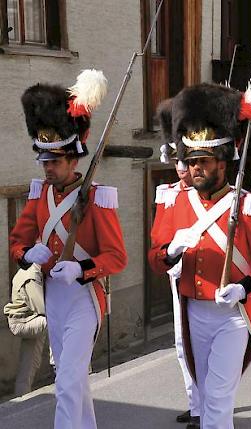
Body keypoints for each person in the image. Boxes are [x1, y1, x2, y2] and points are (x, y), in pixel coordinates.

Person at [149, 81, 251, 429]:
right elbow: (154, 257)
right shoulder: (174, 202)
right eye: (191, 161)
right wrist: (170, 252)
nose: (195, 168)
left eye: (203, 161)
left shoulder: (247, 205)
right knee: (207, 393)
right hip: (193, 310)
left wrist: (246, 287)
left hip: (233, 313)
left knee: (220, 398)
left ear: (222, 162)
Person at [10, 70, 128, 429]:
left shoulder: (95, 198)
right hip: (52, 297)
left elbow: (117, 257)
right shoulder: (38, 194)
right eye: (44, 162)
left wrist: (82, 268)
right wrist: (28, 254)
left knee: (66, 383)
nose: (48, 168)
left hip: (84, 299)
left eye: (55, 161)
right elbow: (18, 240)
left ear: (74, 160)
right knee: (72, 378)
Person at [148, 98, 200, 428]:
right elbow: (157, 239)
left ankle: (212, 401)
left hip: (207, 274)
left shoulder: (214, 195)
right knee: (182, 342)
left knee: (204, 343)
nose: (182, 167)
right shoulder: (167, 193)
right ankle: (196, 402)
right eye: (177, 160)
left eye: (187, 160)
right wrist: (169, 253)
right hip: (177, 274)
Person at [4, 265, 49, 396]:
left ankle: (21, 398)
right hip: (24, 322)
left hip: (30, 318)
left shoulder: (30, 269)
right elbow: (43, 308)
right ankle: (60, 367)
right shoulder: (31, 276)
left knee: (29, 364)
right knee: (58, 323)